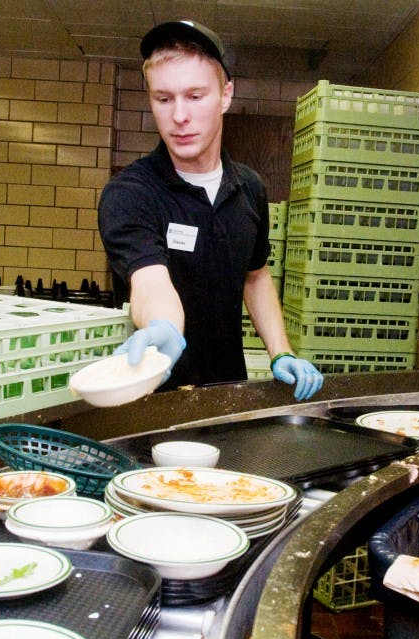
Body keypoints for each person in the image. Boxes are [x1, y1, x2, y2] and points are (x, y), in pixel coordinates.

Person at [97, 20, 323, 401]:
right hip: (150, 399)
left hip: (226, 394)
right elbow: (149, 281)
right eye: (164, 99)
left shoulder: (249, 189)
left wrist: (280, 351)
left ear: (225, 95)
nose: (179, 116)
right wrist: (165, 325)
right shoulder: (131, 192)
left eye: (195, 96)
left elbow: (255, 277)